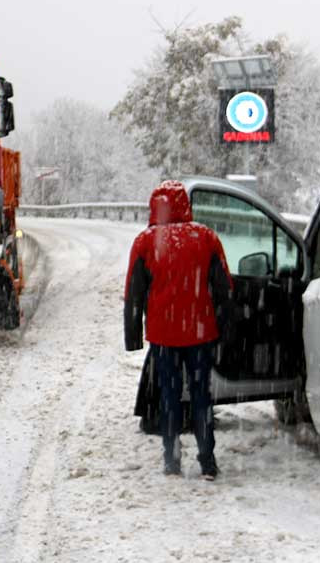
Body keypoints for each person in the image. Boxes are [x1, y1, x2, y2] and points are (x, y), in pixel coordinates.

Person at [124, 180, 232, 480]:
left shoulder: (146, 242)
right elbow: (224, 289)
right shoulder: (206, 238)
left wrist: (133, 335)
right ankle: (207, 460)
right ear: (185, 205)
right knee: (201, 396)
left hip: (164, 336)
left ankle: (172, 460)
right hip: (200, 333)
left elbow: (133, 292)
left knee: (169, 396)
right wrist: (225, 327)